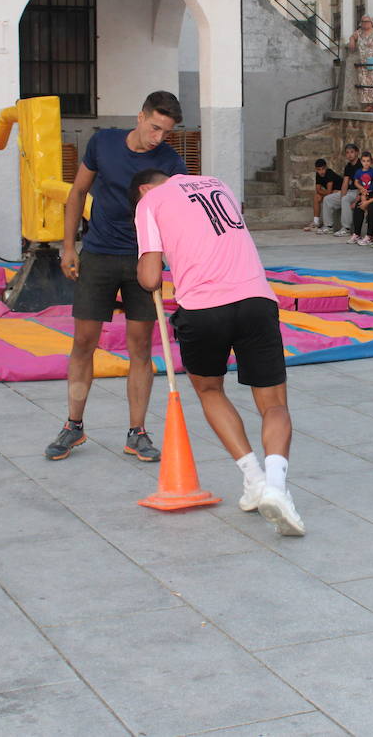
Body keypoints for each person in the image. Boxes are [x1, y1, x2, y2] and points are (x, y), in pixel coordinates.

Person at [131, 170, 303, 536]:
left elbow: (149, 278)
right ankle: (275, 484)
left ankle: (254, 479)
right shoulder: (218, 183)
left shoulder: (150, 201)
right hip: (256, 298)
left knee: (210, 390)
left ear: (144, 188)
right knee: (273, 404)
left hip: (203, 308)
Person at [47, 90, 188, 462]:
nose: (158, 137)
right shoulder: (103, 142)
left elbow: (178, 219)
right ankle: (73, 426)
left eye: (166, 132)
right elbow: (78, 191)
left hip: (144, 259)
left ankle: (137, 433)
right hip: (98, 254)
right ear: (140, 117)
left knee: (140, 348)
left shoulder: (172, 163)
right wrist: (68, 246)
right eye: (155, 127)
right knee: (84, 343)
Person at [347, 150, 373, 244]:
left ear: (371, 162)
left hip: (371, 193)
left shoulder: (372, 171)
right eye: (364, 161)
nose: (366, 163)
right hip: (363, 193)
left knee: (370, 207)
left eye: (368, 161)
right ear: (361, 162)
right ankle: (357, 234)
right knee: (358, 207)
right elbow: (356, 182)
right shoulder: (359, 172)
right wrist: (362, 188)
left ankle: (369, 236)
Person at [306, 158, 341, 233]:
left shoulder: (329, 173)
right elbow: (318, 190)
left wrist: (328, 192)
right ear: (316, 169)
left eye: (323, 169)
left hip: (341, 192)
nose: (321, 171)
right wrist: (329, 192)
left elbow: (327, 192)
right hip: (333, 192)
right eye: (319, 169)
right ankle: (316, 222)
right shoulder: (318, 175)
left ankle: (328, 226)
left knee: (325, 197)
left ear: (326, 167)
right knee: (317, 197)